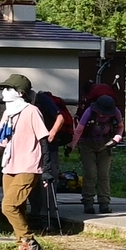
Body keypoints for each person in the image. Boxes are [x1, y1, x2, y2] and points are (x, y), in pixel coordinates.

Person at [0, 73, 50, 250]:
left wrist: (48, 170)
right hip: (9, 165)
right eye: (3, 89)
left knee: (8, 206)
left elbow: (44, 140)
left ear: (20, 93)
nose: (4, 92)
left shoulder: (31, 111)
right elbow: (0, 143)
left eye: (8, 89)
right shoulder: (8, 113)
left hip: (28, 165)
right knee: (17, 207)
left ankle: (29, 242)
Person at [71, 84, 125, 214]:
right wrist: (71, 145)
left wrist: (116, 139)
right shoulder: (89, 111)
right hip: (87, 144)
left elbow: (120, 127)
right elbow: (79, 130)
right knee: (90, 173)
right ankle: (88, 203)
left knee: (103, 175)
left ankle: (104, 203)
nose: (102, 115)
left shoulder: (115, 112)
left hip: (105, 144)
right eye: (100, 112)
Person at [31, 89, 73, 233]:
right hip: (33, 148)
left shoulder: (42, 100)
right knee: (33, 182)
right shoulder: (26, 103)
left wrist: (51, 134)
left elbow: (59, 117)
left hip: (50, 148)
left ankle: (49, 219)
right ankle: (36, 216)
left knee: (48, 183)